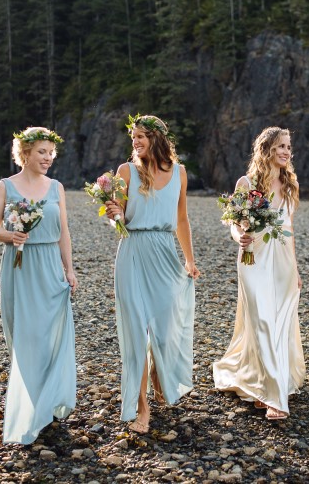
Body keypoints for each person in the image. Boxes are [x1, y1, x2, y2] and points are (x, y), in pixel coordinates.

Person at [104, 114, 200, 435]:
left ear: (158, 137)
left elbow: (182, 219)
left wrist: (189, 260)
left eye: (142, 136)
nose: (136, 141)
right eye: (133, 137)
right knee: (135, 331)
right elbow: (116, 213)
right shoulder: (126, 171)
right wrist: (113, 212)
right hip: (132, 252)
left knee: (164, 328)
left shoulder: (180, 174)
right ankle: (141, 405)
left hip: (164, 254)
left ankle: (159, 374)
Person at [0, 126, 78, 444]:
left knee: (50, 336)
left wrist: (70, 270)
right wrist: (12, 235)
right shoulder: (5, 187)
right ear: (24, 153)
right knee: (25, 337)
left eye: (52, 153)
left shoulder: (57, 188)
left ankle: (47, 403)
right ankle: (30, 402)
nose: (48, 158)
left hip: (51, 266)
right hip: (19, 269)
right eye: (42, 152)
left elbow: (63, 231)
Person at [213, 126, 305, 420]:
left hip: (282, 261)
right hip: (253, 257)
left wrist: (297, 269)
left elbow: (289, 230)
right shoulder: (247, 182)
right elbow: (232, 221)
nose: (286, 152)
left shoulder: (290, 185)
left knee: (278, 321)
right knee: (261, 318)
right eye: (280, 146)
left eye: (288, 147)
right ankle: (275, 398)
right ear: (266, 149)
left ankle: (262, 383)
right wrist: (237, 234)